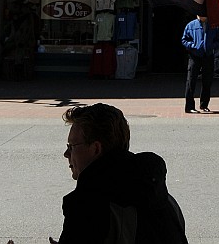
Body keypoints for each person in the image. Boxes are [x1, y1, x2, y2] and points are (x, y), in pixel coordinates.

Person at [52, 103, 188, 244]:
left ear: (96, 149)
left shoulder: (89, 204)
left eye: (71, 146)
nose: (66, 154)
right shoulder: (163, 196)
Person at [181, 14, 219, 114]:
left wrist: (211, 46)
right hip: (195, 56)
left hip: (208, 56)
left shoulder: (213, 25)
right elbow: (184, 40)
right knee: (191, 80)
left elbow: (218, 40)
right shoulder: (191, 25)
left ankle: (204, 105)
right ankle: (189, 106)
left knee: (207, 81)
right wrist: (193, 46)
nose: (200, 16)